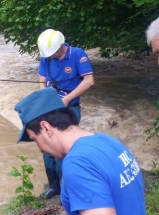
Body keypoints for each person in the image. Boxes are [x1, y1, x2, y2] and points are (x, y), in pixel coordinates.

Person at [15, 88, 146, 214]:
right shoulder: (109, 142)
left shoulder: (78, 163)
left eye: (35, 139)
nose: (40, 149)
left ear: (46, 128)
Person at [36, 29, 94, 199]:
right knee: (47, 146)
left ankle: (68, 190)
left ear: (60, 47)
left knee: (64, 148)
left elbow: (89, 80)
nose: (50, 55)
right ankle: (54, 187)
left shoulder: (77, 55)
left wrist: (67, 99)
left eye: (52, 52)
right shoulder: (46, 58)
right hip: (51, 107)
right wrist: (44, 97)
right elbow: (41, 79)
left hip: (70, 107)